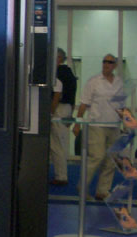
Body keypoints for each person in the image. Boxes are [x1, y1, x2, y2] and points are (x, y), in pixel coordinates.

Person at [72, 53, 126, 200]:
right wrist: (77, 123)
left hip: (114, 125)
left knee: (111, 159)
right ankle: (82, 187)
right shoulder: (93, 81)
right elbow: (83, 104)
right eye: (104, 61)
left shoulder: (119, 83)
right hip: (96, 125)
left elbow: (121, 106)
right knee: (96, 157)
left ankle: (103, 191)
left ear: (115, 65)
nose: (106, 64)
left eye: (109, 62)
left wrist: (125, 123)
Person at [49, 48, 77, 186]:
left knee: (56, 144)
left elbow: (57, 95)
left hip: (58, 109)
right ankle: (62, 173)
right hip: (67, 109)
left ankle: (61, 176)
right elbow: (73, 96)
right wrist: (71, 114)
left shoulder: (57, 73)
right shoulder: (70, 74)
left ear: (58, 58)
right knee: (62, 142)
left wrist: (50, 112)